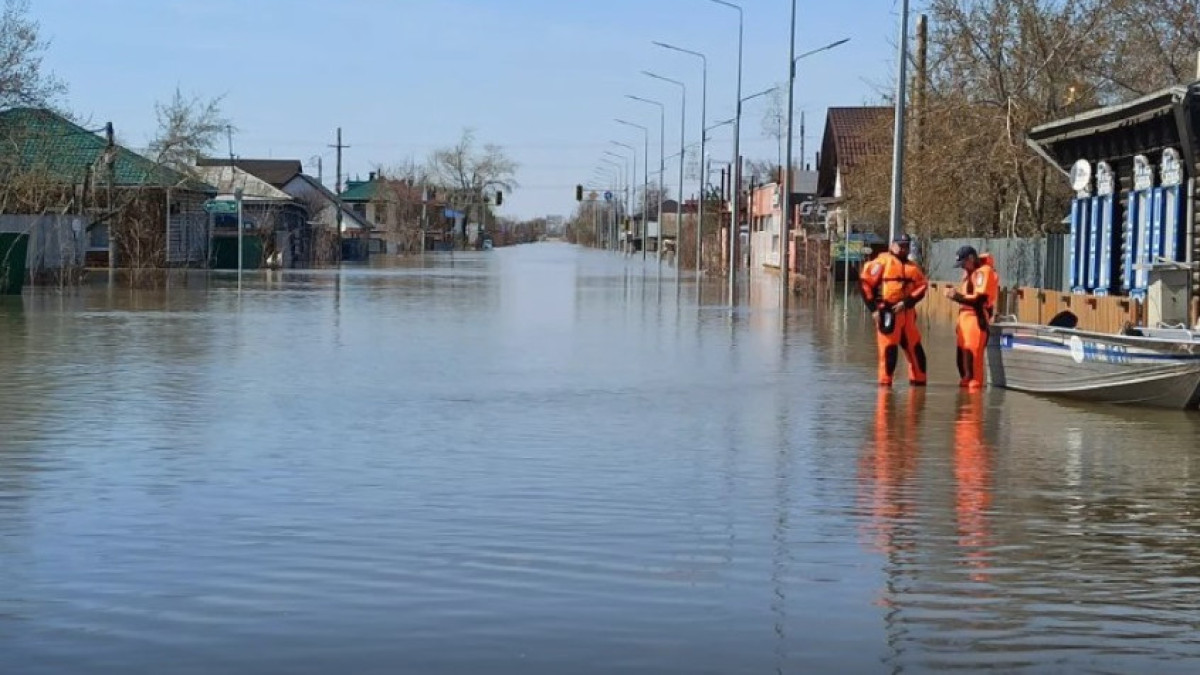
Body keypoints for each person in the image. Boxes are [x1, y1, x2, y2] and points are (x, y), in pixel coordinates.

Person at [859, 233, 929, 387]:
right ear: (892, 245)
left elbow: (922, 287)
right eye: (901, 246)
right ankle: (885, 391)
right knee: (889, 353)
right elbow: (865, 284)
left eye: (906, 246)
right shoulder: (881, 263)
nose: (904, 249)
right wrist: (873, 309)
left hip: (907, 314)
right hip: (888, 314)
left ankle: (918, 388)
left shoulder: (913, 268)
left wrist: (907, 302)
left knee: (917, 353)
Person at [943, 246, 1000, 390]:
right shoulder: (969, 273)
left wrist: (956, 296)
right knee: (962, 361)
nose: (962, 267)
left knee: (973, 362)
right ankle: (964, 399)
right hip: (964, 320)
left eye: (963, 263)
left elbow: (979, 300)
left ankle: (974, 399)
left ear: (971, 258)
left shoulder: (984, 272)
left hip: (976, 318)